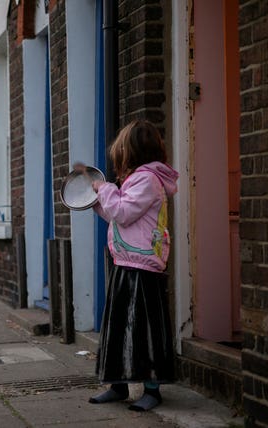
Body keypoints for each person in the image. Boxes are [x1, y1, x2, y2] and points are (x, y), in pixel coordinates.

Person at [80, 120, 179, 412]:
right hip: (126, 262)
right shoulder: (136, 180)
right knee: (119, 326)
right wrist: (96, 200)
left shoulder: (147, 180)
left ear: (131, 153)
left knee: (143, 329)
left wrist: (104, 188)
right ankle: (118, 385)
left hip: (144, 268)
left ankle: (152, 389)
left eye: (120, 152)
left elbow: (122, 212)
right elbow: (116, 214)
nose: (117, 158)